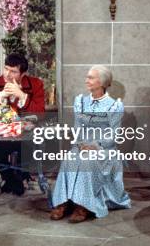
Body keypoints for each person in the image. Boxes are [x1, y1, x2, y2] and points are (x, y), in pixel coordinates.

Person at [50, 65, 130, 223]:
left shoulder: (114, 106)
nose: (86, 80)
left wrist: (96, 144)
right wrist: (80, 143)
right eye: (87, 77)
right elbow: (77, 127)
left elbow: (115, 135)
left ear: (102, 82)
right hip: (82, 144)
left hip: (104, 147)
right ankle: (64, 202)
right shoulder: (80, 101)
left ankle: (84, 206)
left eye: (91, 77)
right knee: (69, 159)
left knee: (88, 161)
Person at [0, 53, 45, 195]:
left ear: (23, 74)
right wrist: (0, 97)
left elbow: (40, 113)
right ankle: (11, 179)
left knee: (27, 144)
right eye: (6, 69)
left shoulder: (35, 84)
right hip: (1, 134)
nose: (8, 74)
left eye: (13, 71)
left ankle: (20, 176)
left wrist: (22, 96)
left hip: (24, 134)